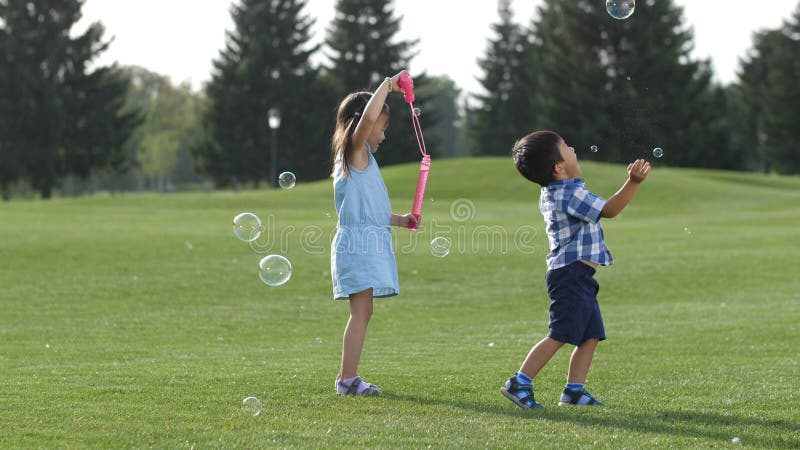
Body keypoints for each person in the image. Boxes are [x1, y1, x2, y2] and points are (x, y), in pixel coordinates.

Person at [502, 130, 651, 408]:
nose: (572, 148)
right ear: (559, 168)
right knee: (561, 333)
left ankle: (574, 391)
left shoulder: (557, 190)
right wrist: (633, 182)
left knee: (590, 333)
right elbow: (609, 210)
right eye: (566, 148)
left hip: (578, 275)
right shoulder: (568, 193)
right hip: (571, 275)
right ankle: (519, 381)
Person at [330, 71, 418, 396]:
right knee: (360, 312)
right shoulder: (355, 154)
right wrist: (387, 86)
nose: (383, 134)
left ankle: (348, 378)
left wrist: (400, 220)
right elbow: (366, 121)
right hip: (358, 246)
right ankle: (347, 380)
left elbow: (373, 213)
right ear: (362, 125)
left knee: (364, 311)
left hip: (368, 243)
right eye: (382, 126)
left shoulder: (366, 161)